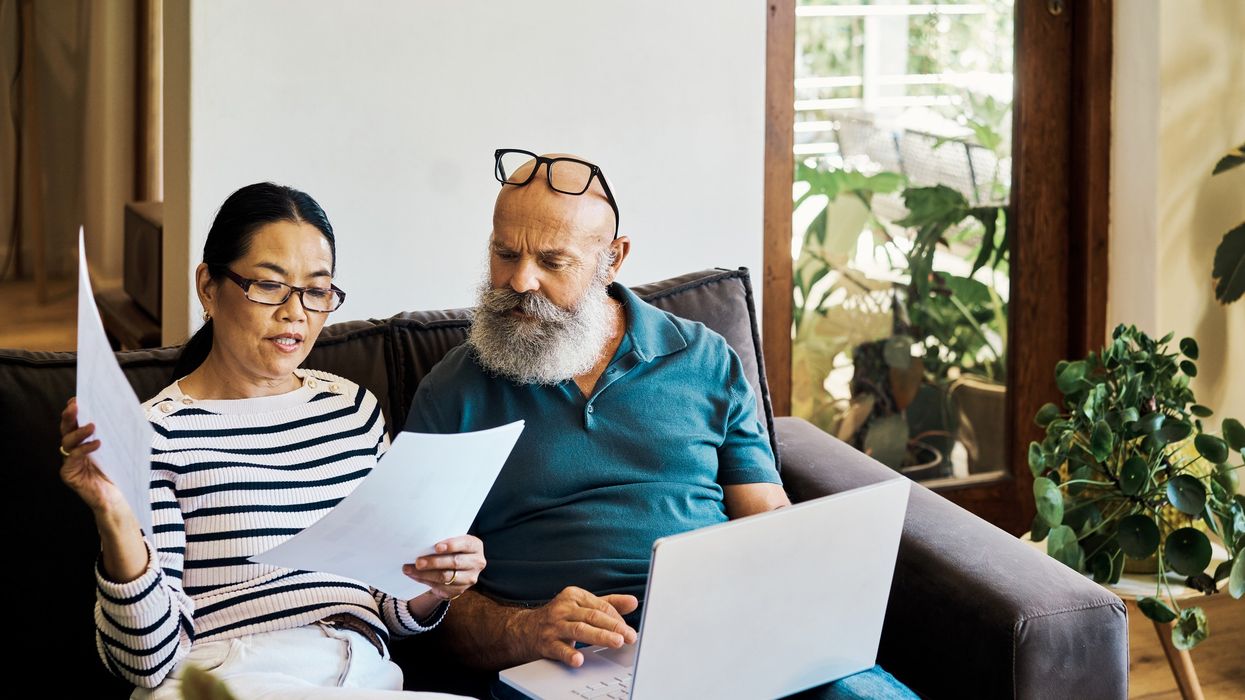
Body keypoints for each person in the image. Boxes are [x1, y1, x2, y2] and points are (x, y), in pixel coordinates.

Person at [404, 150, 916, 699]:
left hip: (723, 635)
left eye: (553, 262)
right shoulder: (454, 389)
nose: (520, 280)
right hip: (565, 664)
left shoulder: (705, 359)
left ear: (613, 260)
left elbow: (768, 520)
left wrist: (788, 611)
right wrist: (525, 629)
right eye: (505, 253)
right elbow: (419, 598)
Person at [59, 183, 483, 699]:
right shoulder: (157, 432)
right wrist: (115, 519)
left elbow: (391, 607)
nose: (295, 312)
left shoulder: (353, 410)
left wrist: (434, 582)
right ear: (208, 287)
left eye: (316, 290)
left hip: (364, 672)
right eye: (268, 285)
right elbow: (146, 661)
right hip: (230, 671)